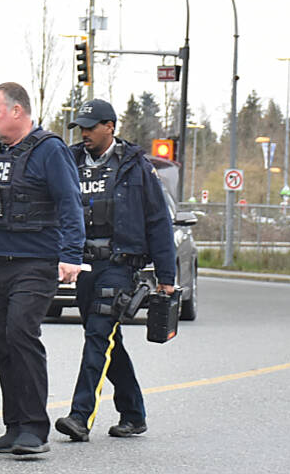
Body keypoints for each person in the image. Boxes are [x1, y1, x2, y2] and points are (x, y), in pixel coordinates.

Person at [0, 82, 84, 456]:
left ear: (17, 111)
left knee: (20, 335)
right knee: (0, 343)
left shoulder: (50, 151)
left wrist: (72, 255)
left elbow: (70, 204)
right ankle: (13, 426)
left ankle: (34, 428)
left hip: (35, 264)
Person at [54, 99, 176, 443]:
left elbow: (158, 222)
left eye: (91, 127)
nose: (85, 133)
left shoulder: (136, 167)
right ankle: (134, 413)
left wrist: (166, 278)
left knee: (98, 335)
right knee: (107, 339)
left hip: (118, 266)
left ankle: (80, 416)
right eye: (81, 127)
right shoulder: (69, 160)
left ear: (110, 126)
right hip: (81, 265)